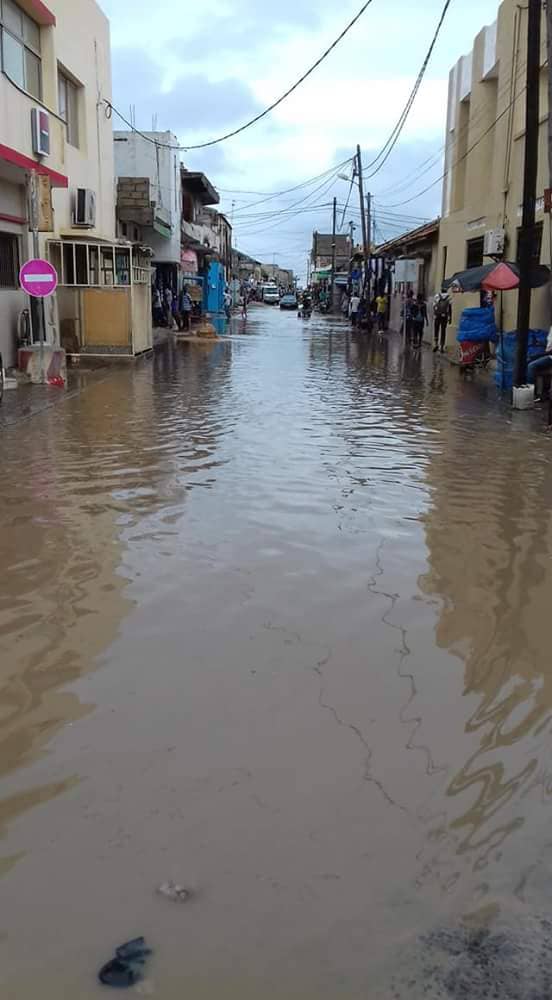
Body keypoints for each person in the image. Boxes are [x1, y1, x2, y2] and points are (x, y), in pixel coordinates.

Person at [527, 328, 552, 394]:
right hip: (548, 354)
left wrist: (537, 356)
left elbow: (550, 352)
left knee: (531, 366)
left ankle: (531, 393)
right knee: (526, 361)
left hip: (550, 357)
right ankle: (542, 391)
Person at [433, 289, 452, 353]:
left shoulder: (436, 296)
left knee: (436, 330)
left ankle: (436, 344)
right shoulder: (449, 297)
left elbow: (434, 306)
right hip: (444, 316)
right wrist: (450, 318)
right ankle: (442, 347)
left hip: (437, 316)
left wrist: (435, 314)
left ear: (441, 290)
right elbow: (450, 308)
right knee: (443, 331)